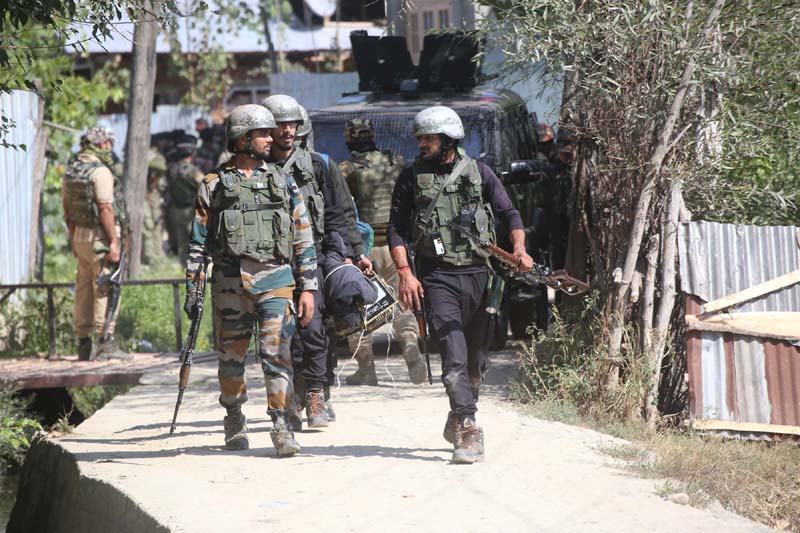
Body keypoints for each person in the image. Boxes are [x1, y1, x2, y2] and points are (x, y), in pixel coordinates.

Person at [386, 106, 533, 464]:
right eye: (420, 138)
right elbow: (396, 229)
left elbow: (509, 213)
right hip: (437, 277)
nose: (422, 144)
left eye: (429, 138)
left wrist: (519, 248)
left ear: (449, 139)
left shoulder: (480, 172)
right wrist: (405, 271)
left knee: (475, 364)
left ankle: (458, 412)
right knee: (453, 356)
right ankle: (468, 427)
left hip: (480, 275)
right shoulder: (410, 178)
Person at [184, 104, 318, 457]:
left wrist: (309, 287)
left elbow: (302, 235)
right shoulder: (213, 184)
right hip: (231, 286)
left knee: (277, 354)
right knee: (232, 361)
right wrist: (193, 286)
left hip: (276, 280)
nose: (270, 139)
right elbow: (198, 242)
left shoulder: (282, 180)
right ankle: (233, 415)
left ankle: (281, 425)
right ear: (243, 139)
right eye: (262, 134)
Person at [262, 94, 368, 429]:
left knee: (315, 328)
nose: (287, 131)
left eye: (292, 124)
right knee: (284, 333)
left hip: (316, 257)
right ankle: (292, 396)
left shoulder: (319, 165)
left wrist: (349, 254)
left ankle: (316, 394)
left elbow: (340, 214)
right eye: (280, 125)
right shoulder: (256, 168)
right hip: (274, 262)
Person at [339, 118, 426, 385]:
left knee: (359, 308)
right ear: (373, 135)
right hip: (396, 246)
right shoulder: (396, 163)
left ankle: (366, 370)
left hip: (364, 250)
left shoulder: (347, 169)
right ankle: (409, 343)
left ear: (350, 139)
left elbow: (341, 207)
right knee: (401, 302)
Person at [62, 126, 129, 361]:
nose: (110, 148)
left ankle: (83, 342)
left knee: (83, 288)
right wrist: (114, 242)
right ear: (102, 144)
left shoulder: (72, 170)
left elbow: (67, 210)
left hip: (80, 236)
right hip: (100, 239)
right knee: (104, 287)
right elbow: (106, 208)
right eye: (109, 143)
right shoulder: (100, 172)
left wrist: (74, 238)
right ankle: (105, 342)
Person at [165, 140, 204, 260]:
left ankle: (183, 265)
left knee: (181, 241)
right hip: (190, 211)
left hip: (175, 209)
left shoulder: (172, 169)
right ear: (191, 154)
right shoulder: (193, 171)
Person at [142, 145, 167, 264]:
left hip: (151, 195)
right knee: (152, 225)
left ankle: (155, 253)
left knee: (154, 225)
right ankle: (154, 254)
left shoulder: (150, 157)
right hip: (150, 196)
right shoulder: (154, 157)